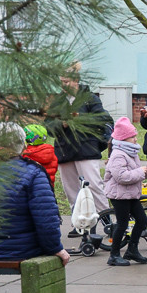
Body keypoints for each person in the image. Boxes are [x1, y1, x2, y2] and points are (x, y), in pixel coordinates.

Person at [0, 123, 70, 265]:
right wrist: (55, 248)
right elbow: (46, 218)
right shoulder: (33, 173)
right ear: (23, 144)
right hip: (21, 249)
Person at [49, 61, 112, 233]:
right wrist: (61, 124)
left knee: (94, 187)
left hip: (86, 150)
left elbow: (104, 119)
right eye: (62, 82)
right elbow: (48, 126)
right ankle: (79, 226)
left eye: (67, 81)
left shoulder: (90, 98)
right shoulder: (57, 102)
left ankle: (107, 222)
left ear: (76, 81)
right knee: (72, 192)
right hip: (65, 151)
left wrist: (79, 120)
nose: (64, 85)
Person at [104, 117, 147, 266]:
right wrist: (140, 171)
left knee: (143, 221)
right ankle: (113, 255)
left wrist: (146, 172)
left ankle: (132, 250)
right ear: (123, 138)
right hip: (119, 195)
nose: (135, 138)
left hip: (130, 194)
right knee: (122, 223)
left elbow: (133, 173)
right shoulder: (118, 155)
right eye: (132, 136)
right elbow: (122, 177)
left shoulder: (130, 152)